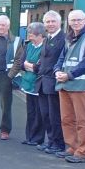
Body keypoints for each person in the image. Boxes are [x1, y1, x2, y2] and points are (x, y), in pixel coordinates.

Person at [54, 9, 85, 163]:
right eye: (73, 20)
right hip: (65, 84)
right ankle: (72, 147)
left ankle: (82, 152)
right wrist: (57, 71)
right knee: (67, 119)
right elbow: (61, 58)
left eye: (79, 20)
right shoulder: (69, 38)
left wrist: (69, 75)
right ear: (68, 22)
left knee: (82, 120)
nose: (76, 23)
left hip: (81, 85)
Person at [34, 11, 66, 155]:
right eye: (47, 22)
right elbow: (44, 59)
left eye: (53, 21)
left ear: (60, 22)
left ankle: (58, 143)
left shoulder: (63, 39)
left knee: (55, 115)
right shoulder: (47, 38)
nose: (50, 24)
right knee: (45, 114)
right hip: (42, 82)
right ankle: (50, 141)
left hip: (53, 83)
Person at [11, 22, 46, 145]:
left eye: (32, 34)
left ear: (40, 35)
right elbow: (21, 63)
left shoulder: (44, 47)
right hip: (28, 84)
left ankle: (37, 138)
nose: (30, 36)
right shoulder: (28, 46)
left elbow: (40, 67)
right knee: (30, 112)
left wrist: (30, 66)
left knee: (39, 113)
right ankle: (29, 136)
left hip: (38, 85)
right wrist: (31, 66)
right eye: (29, 33)